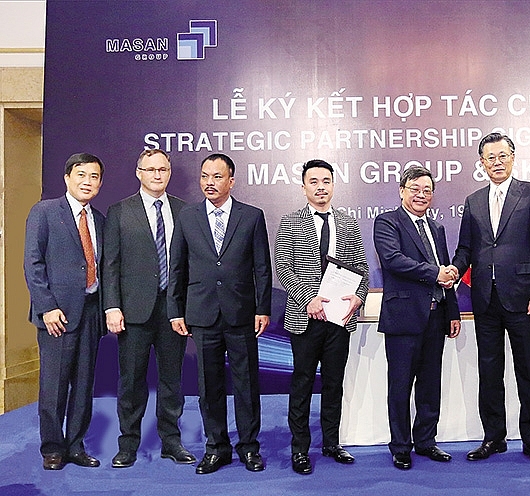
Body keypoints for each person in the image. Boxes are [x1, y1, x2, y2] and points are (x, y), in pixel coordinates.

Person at [452, 132, 530, 466]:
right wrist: (454, 269)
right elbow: (466, 248)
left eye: (502, 156)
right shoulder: (474, 201)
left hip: (523, 298)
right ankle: (493, 438)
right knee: (490, 371)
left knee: (529, 371)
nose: (496, 163)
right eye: (490, 158)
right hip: (485, 299)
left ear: (513, 158)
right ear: (481, 163)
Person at [168, 153, 271, 474]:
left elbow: (262, 267)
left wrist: (262, 308)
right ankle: (216, 448)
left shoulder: (251, 216)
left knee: (246, 385)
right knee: (208, 387)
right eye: (204, 176)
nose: (209, 182)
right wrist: (175, 310)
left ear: (231, 181)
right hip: (202, 314)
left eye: (216, 176)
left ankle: (249, 447)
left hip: (241, 314)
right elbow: (177, 267)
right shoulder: (187, 216)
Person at [274, 159, 369, 475]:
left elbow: (362, 269)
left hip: (340, 319)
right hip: (305, 318)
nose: (320, 187)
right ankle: (300, 449)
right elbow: (283, 268)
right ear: (304, 187)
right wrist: (308, 299)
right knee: (302, 383)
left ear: (333, 185)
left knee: (333, 383)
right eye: (313, 182)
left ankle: (332, 443)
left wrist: (359, 296)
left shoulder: (348, 223)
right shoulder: (290, 222)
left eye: (326, 181)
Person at [103, 149, 194, 468]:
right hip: (133, 311)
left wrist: (188, 307)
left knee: (172, 380)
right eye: (151, 169)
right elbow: (110, 264)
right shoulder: (119, 211)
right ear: (138, 172)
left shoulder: (184, 211)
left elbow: (190, 264)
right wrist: (112, 306)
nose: (157, 174)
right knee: (131, 381)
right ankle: (128, 444)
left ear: (169, 173)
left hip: (173, 312)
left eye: (163, 169)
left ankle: (172, 441)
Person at [373, 166, 461, 470]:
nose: (421, 195)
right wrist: (435, 273)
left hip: (436, 318)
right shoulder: (387, 222)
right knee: (400, 386)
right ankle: (400, 446)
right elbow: (393, 260)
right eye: (415, 189)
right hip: (403, 317)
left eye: (427, 190)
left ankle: (426, 440)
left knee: (430, 384)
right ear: (402, 191)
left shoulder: (436, 228)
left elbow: (445, 272)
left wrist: (452, 311)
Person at [24, 153, 106, 470]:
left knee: (84, 386)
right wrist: (47, 307)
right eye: (81, 174)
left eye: (94, 176)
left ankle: (75, 446)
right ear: (67, 178)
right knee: (54, 386)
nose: (88, 181)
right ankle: (52, 448)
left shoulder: (100, 219)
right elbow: (33, 263)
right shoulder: (44, 212)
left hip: (90, 311)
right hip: (56, 315)